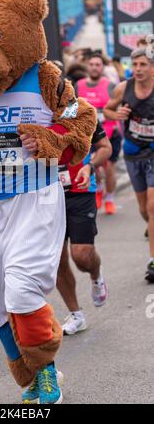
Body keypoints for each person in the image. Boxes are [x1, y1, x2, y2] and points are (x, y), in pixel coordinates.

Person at [56, 123, 112, 335]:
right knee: (57, 259)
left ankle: (96, 275)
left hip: (80, 190)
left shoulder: (81, 111)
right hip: (47, 194)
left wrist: (90, 165)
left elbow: (105, 147)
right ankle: (76, 315)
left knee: (82, 255)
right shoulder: (33, 109)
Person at [104, 48, 154, 283]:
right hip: (133, 154)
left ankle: (152, 260)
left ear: (152, 67)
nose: (138, 69)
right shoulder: (124, 88)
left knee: (153, 207)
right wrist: (118, 114)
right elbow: (107, 109)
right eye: (135, 65)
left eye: (143, 64)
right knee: (144, 211)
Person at [77, 53, 122, 215]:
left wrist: (117, 124)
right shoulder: (79, 86)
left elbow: (117, 108)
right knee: (93, 165)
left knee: (109, 166)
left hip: (109, 132)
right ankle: (99, 189)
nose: (94, 67)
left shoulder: (110, 86)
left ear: (102, 67)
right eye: (92, 64)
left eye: (98, 64)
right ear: (87, 67)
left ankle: (109, 199)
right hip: (88, 134)